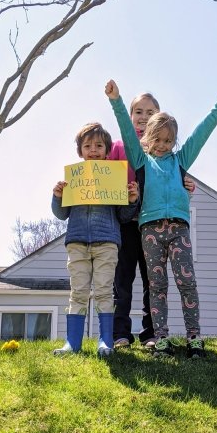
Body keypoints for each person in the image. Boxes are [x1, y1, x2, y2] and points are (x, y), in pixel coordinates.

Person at [105, 80, 217, 359]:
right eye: (157, 140)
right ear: (147, 138)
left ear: (174, 141)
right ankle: (160, 338)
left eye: (168, 141)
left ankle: (194, 338)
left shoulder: (180, 160)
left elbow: (201, 135)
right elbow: (126, 129)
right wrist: (116, 101)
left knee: (187, 282)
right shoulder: (140, 161)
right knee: (157, 285)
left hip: (179, 229)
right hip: (149, 230)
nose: (162, 146)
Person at [108, 92, 195, 350]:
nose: (143, 117)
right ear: (131, 115)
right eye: (139, 112)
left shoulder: (162, 148)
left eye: (150, 112)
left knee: (152, 281)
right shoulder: (121, 146)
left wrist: (186, 182)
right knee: (122, 280)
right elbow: (105, 178)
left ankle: (150, 333)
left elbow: (172, 176)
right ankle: (120, 333)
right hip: (126, 220)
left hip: (152, 223)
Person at [51, 122, 139, 357]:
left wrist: (131, 200)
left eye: (99, 145)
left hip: (107, 243)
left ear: (107, 151)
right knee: (78, 291)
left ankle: (105, 341)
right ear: (80, 151)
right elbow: (61, 215)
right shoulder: (73, 179)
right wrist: (57, 196)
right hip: (77, 242)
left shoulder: (114, 178)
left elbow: (123, 216)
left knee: (103, 292)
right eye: (87, 146)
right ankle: (72, 343)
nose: (93, 150)